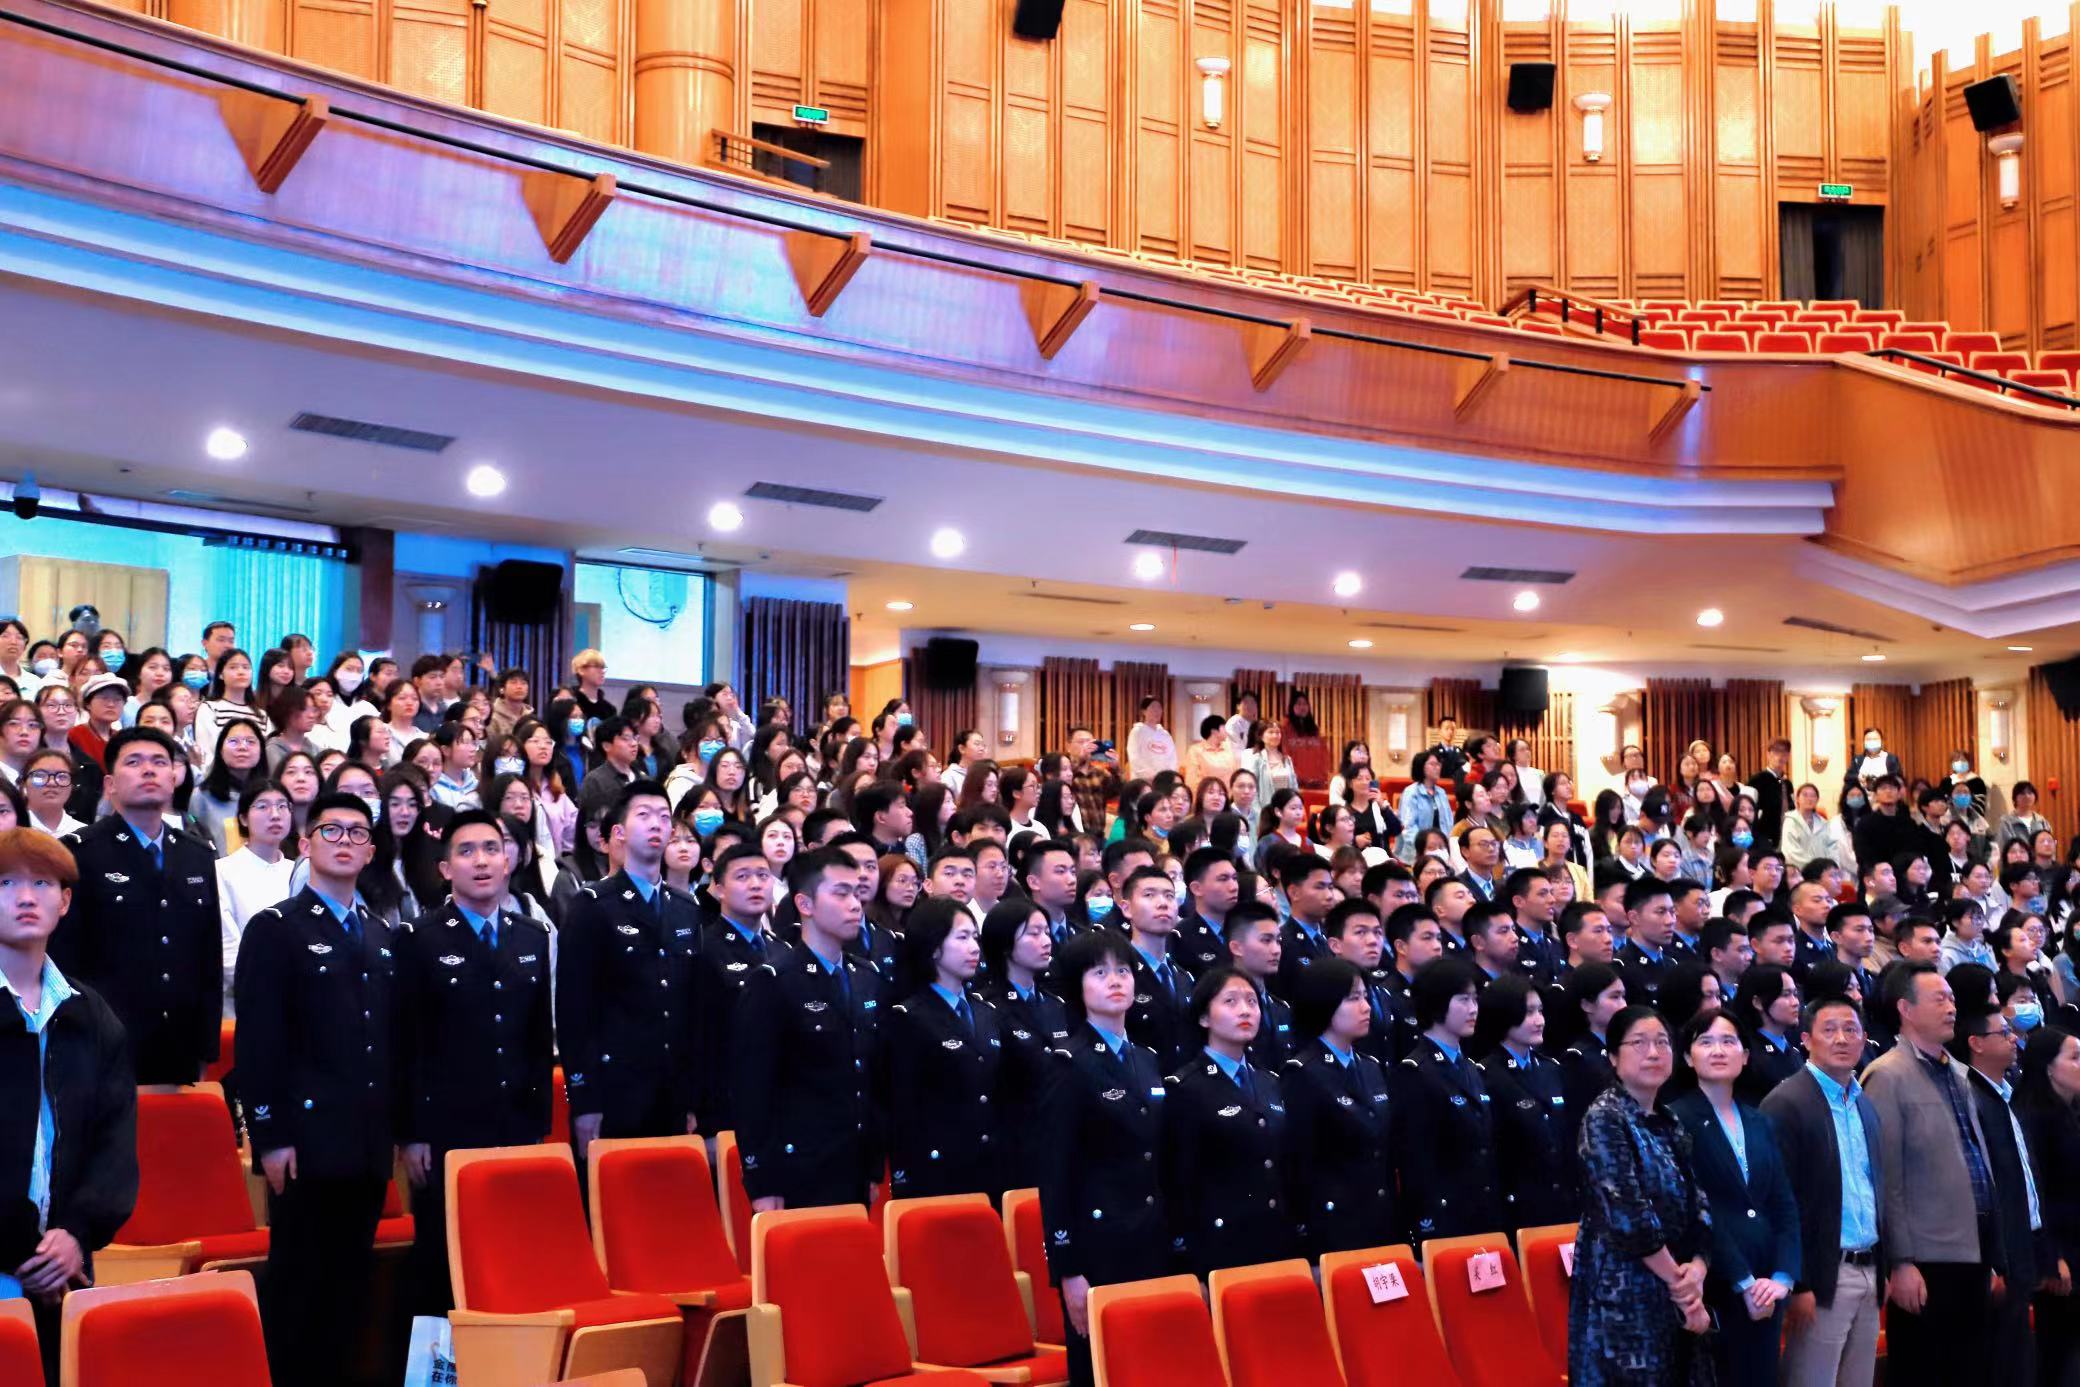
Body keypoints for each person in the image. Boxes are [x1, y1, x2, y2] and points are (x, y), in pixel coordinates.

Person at [235, 792, 397, 1387]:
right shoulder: (276, 928)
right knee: (300, 1288)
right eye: (331, 830)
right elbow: (259, 1041)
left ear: (371, 851)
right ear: (305, 844)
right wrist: (271, 1136)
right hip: (304, 1141)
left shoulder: (381, 933)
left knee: (352, 1288)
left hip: (367, 1140)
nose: (345, 841)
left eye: (358, 833)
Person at [394, 810, 554, 1315]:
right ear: (445, 869)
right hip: (445, 1129)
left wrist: (538, 1124)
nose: (480, 861)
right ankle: (436, 1360)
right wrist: (411, 1132)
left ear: (508, 861)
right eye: (465, 851)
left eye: (491, 849)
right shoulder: (419, 937)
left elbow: (537, 1038)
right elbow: (407, 1043)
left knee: (512, 1251)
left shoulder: (531, 935)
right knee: (441, 1262)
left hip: (516, 1124)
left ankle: (507, 1353)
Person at [0, 828, 139, 1383]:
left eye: (42, 883)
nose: (25, 897)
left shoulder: (90, 1014)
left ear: (65, 901)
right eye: (6, 883)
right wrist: (27, 1251)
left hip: (66, 1266)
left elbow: (114, 1143)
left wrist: (77, 1234)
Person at [1037, 929, 1170, 1387]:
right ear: (1078, 987)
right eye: (1099, 973)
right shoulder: (1067, 1063)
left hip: (1149, 1234)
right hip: (1099, 1242)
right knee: (1101, 1369)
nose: (1115, 980)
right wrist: (1068, 1270)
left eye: (1123, 970)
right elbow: (1055, 1172)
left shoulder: (1146, 1059)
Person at [51, 727, 221, 1084]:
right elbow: (64, 960)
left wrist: (206, 1047)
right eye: (134, 762)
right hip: (105, 1043)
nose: (148, 770)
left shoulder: (196, 854)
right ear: (110, 784)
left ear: (173, 779)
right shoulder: (79, 852)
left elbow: (209, 958)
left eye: (159, 762)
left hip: (179, 1045)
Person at [1862, 963, 1999, 1387]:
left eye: (1952, 998)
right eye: (1939, 999)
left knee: (1970, 1370)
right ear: (1905, 1008)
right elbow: (1887, 1178)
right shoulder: (1886, 1075)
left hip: (1973, 1247)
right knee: (1924, 1370)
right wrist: (1901, 1261)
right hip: (1925, 1256)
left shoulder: (1958, 1071)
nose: (1951, 1007)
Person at [557, 780, 705, 1160]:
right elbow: (574, 1010)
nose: (656, 824)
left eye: (664, 817)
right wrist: (584, 1100)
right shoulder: (593, 905)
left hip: (672, 1091)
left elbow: (691, 1009)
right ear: (619, 832)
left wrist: (692, 1097)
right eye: (644, 815)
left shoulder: (685, 908)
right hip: (616, 1091)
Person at [1569, 1005, 1713, 1387]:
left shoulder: (1668, 1119)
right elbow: (1629, 1217)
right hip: (1626, 1291)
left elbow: (1698, 1200)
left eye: (1662, 1042)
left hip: (1678, 1283)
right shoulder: (1605, 1117)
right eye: (1639, 1043)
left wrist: (1698, 1268)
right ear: (1613, 1057)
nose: (1653, 1052)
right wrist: (1682, 1288)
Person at [735, 847, 882, 1211]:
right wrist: (762, 1180)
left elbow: (869, 1076)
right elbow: (753, 1089)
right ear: (805, 903)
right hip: (799, 1167)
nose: (855, 905)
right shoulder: (774, 980)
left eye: (857, 893)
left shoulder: (866, 976)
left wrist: (872, 1166)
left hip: (853, 1162)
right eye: (841, 893)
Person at [1667, 1008, 1800, 1387]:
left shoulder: (1759, 1120)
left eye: (1728, 1041)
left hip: (1768, 1286)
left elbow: (1783, 1204)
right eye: (1705, 1042)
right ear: (1688, 1057)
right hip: (1718, 1285)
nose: (1718, 1050)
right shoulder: (1676, 1120)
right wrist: (1744, 1281)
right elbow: (1700, 1209)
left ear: (1744, 1055)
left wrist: (1783, 1276)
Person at [1161, 965, 1292, 1277]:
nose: (1245, 1010)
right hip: (1220, 1247)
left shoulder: (1270, 1081)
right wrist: (1188, 1263)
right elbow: (1179, 1181)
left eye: (1252, 1001)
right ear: (1204, 1018)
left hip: (1276, 1240)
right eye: (1230, 1001)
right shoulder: (1186, 1087)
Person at [881, 896, 1005, 1201]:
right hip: (937, 1171)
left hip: (990, 1165)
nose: (974, 948)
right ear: (934, 947)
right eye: (962, 938)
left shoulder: (986, 1011)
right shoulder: (909, 1016)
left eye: (975, 938)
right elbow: (902, 1108)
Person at [1953, 999, 2045, 1387]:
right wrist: (1993, 1261)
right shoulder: (1969, 1099)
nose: (2013, 1039)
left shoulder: (2005, 1093)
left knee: (2020, 1357)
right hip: (1997, 1252)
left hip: (2024, 1241)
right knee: (2000, 1362)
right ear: (1976, 1043)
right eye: (2003, 1033)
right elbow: (1976, 1186)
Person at [1280, 955, 1397, 1258]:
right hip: (1334, 1226)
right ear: (1324, 1002)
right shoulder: (1303, 1072)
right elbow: (1300, 1163)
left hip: (1379, 1217)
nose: (1366, 1007)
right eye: (1353, 998)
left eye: (1365, 997)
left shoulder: (1370, 1067)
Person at [1393, 955, 1501, 1240]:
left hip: (1482, 1211)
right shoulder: (1416, 1071)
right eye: (1463, 1000)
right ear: (1437, 1003)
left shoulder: (1470, 1067)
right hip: (1445, 1220)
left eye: (1475, 999)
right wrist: (1425, 1224)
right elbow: (1416, 1160)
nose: (1473, 1008)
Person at [979, 898, 1069, 1192]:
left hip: (1054, 1143)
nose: (1046, 941)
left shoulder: (1055, 1004)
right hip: (1010, 1147)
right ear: (1005, 943)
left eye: (1046, 932)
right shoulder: (987, 1006)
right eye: (1033, 933)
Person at [1473, 973, 1573, 1230]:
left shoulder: (1551, 1068)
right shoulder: (1486, 1075)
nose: (1539, 1020)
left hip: (1559, 1201)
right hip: (1516, 1206)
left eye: (1540, 1011)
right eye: (1528, 1012)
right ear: (1504, 1015)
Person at [2018, 1026, 2080, 1387]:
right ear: (2048, 1068)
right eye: (2074, 1057)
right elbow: (2036, 1194)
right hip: (2055, 1252)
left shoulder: (2070, 1111)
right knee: (2058, 1359)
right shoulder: (2031, 1117)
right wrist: (2052, 1256)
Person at [213, 778, 298, 1014]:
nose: (275, 815)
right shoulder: (222, 871)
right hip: (245, 1000)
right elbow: (228, 949)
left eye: (282, 806)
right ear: (243, 818)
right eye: (263, 806)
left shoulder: (301, 872)